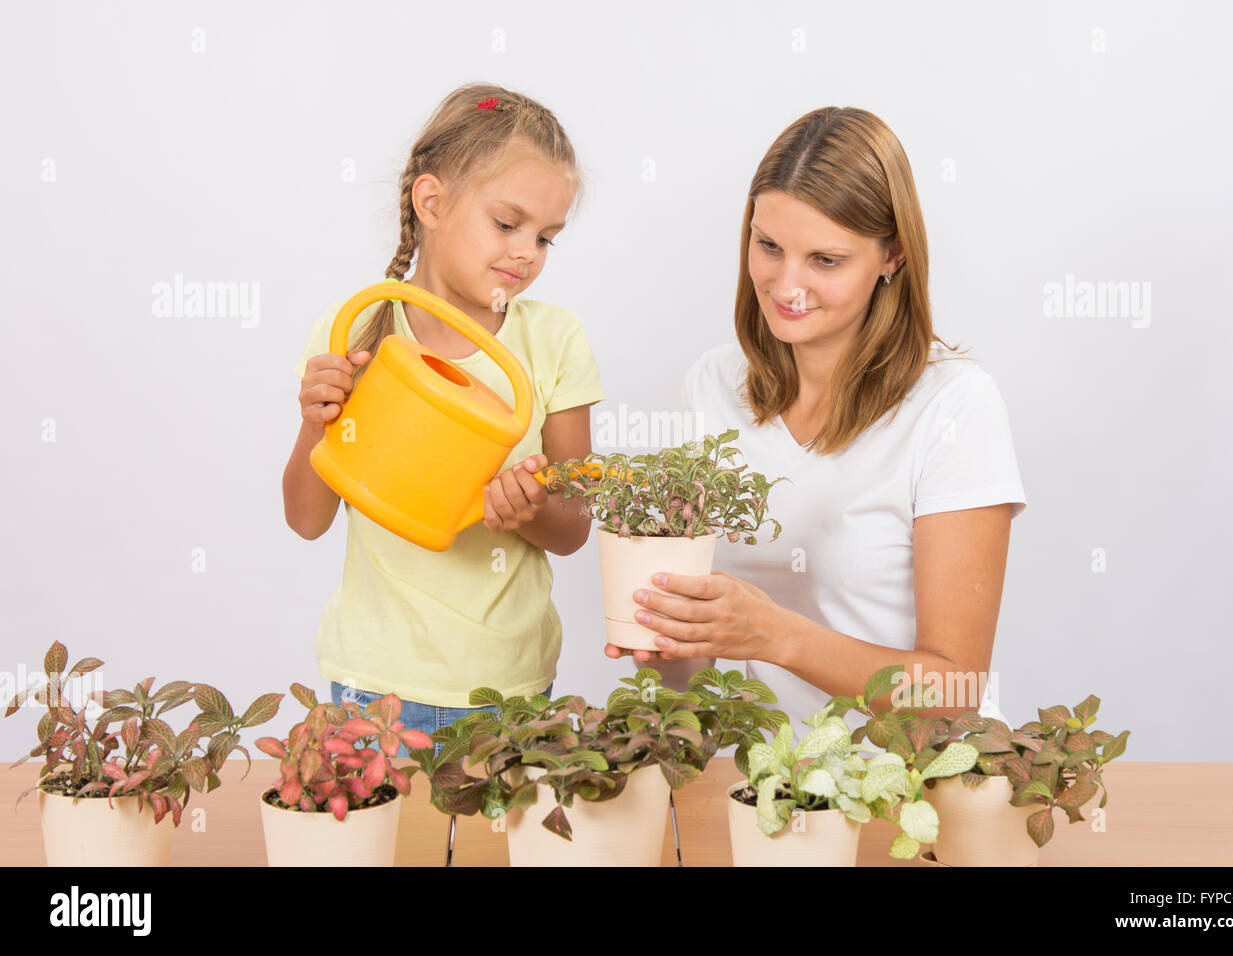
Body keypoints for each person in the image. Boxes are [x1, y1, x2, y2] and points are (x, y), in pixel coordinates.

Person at [606, 107, 1026, 733]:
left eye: (825, 260)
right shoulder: (713, 385)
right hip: (767, 777)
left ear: (893, 256)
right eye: (769, 246)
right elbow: (696, 673)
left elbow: (954, 689)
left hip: (914, 778)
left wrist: (777, 636)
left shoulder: (955, 406)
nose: (786, 287)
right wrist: (668, 637)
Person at [284, 84, 604, 754]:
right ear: (430, 203)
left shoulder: (555, 340)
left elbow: (573, 528)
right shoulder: (355, 333)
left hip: (510, 689)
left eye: (546, 238)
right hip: (374, 685)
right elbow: (307, 519)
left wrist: (527, 511)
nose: (527, 252)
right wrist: (319, 419)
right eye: (507, 224)